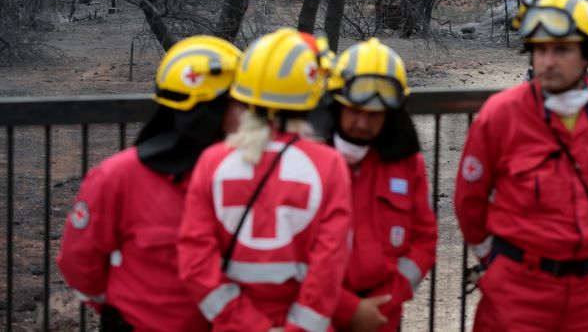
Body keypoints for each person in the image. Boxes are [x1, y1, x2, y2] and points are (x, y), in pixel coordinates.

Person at [454, 0, 588, 332]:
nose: (548, 62)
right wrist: (495, 259)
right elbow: (469, 202)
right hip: (518, 295)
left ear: (587, 54)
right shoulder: (500, 115)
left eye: (561, 50)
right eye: (540, 50)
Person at [58, 35, 245, 331]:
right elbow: (79, 260)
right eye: (240, 105)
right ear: (211, 111)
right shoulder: (118, 178)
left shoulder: (252, 174)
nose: (251, 117)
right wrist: (121, 310)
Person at [177, 28, 352, 332]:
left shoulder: (212, 162)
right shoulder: (329, 164)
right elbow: (330, 262)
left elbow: (196, 263)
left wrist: (248, 324)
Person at [326, 38, 437, 332]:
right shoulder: (309, 162)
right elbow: (293, 254)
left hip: (383, 318)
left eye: (375, 114)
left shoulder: (407, 164)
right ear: (337, 105)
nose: (363, 123)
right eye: (355, 110)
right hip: (321, 317)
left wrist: (386, 301)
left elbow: (424, 240)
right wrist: (349, 309)